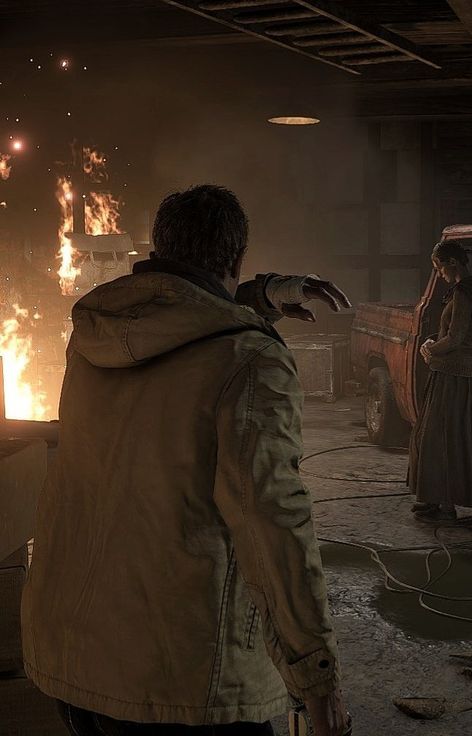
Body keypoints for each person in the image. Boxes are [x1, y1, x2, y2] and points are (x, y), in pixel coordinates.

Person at [21, 185, 352, 736]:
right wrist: (317, 679)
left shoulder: (94, 337)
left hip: (75, 660)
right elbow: (275, 527)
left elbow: (177, 313)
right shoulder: (252, 361)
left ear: (159, 246)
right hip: (185, 684)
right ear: (235, 258)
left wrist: (260, 295)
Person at [408, 240, 472, 522]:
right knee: (451, 436)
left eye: (438, 267)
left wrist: (428, 347)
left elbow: (456, 338)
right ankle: (438, 501)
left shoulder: (463, 292)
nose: (438, 273)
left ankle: (444, 504)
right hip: (464, 371)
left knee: (438, 437)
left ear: (453, 264)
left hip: (453, 373)